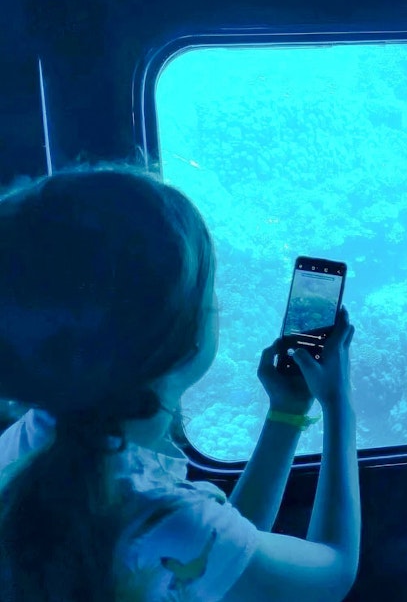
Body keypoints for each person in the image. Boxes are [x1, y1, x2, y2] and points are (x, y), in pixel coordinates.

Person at [0, 165, 361, 602]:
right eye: (209, 297)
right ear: (178, 333)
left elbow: (223, 559)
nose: (217, 305)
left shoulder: (26, 445)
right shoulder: (166, 518)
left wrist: (286, 412)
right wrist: (339, 404)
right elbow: (333, 571)